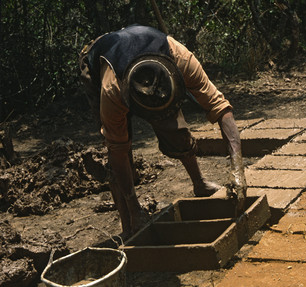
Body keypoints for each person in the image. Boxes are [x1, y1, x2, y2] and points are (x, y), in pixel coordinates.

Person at [79, 24, 246, 237]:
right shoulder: (112, 91)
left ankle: (199, 183)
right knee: (118, 147)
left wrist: (237, 168)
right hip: (100, 60)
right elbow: (117, 150)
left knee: (176, 131)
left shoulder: (180, 58)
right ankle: (129, 220)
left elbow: (221, 109)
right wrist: (134, 207)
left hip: (140, 52)